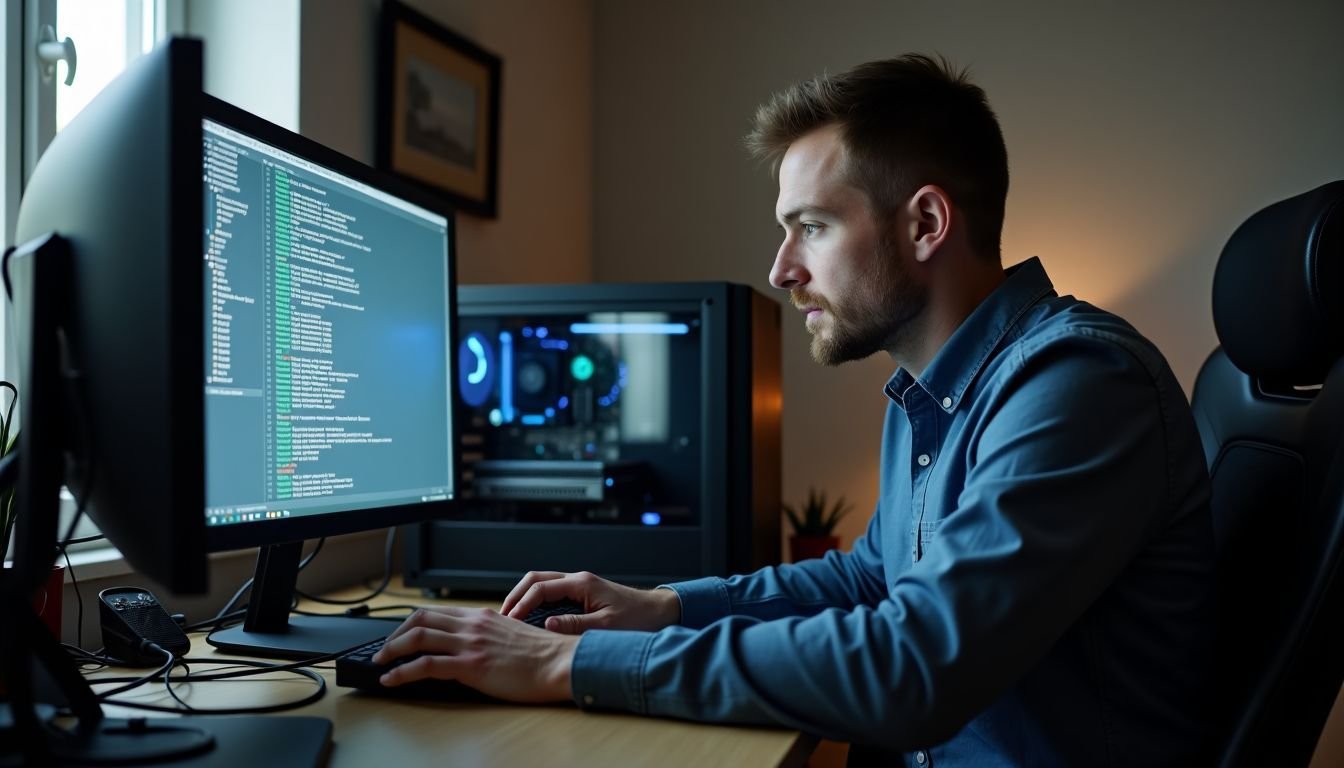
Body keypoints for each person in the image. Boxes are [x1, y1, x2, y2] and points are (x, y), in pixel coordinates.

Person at [373, 54, 1216, 766]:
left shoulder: (1076, 382)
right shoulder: (936, 393)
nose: (781, 269)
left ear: (925, 222)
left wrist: (574, 664)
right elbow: (872, 577)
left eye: (810, 226)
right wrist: (664, 606)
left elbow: (910, 667)